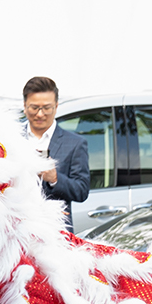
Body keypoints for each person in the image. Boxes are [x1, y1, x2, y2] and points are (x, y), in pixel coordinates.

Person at [23, 76, 89, 229]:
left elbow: (82, 191)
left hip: (55, 231)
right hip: (15, 230)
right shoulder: (11, 138)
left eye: (47, 108)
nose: (40, 114)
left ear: (56, 106)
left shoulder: (75, 143)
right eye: (34, 107)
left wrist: (55, 179)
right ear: (25, 106)